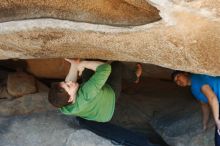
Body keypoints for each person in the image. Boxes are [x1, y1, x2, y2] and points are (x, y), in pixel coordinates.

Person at [48, 59, 142, 122]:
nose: (69, 82)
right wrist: (83, 63)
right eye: (68, 86)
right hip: (108, 101)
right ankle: (135, 78)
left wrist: (75, 64)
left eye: (65, 83)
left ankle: (91, 68)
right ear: (70, 99)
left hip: (95, 109)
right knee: (116, 66)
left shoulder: (62, 105)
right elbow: (105, 68)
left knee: (88, 66)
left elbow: (69, 82)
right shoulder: (87, 93)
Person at [172, 71, 220, 146]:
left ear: (185, 73)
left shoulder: (197, 78)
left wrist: (217, 120)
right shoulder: (193, 90)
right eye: (175, 81)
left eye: (178, 76)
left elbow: (212, 98)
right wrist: (204, 123)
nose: (178, 81)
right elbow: (204, 105)